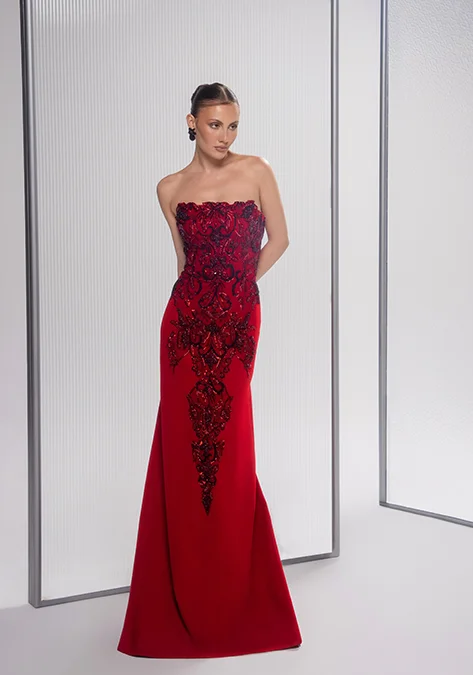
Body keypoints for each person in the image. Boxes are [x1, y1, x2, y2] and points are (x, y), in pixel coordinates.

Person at [117, 82, 302, 658]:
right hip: (183, 328)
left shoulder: (256, 171)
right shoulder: (169, 188)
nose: (226, 136)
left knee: (230, 444)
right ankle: (180, 591)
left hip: (238, 321)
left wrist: (238, 287)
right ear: (191, 123)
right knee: (182, 448)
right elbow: (182, 261)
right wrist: (204, 296)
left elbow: (281, 240)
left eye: (233, 125)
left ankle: (234, 590)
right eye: (215, 124)